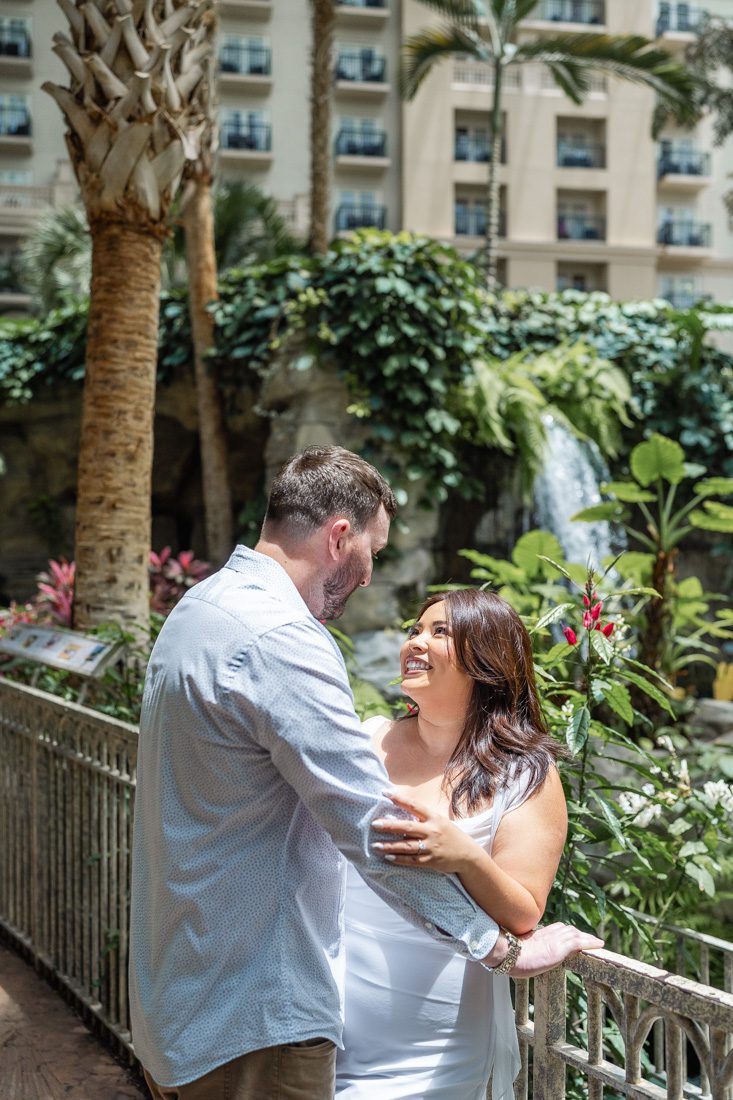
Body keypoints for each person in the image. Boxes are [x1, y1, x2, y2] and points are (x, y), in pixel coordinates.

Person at [129, 445, 602, 1100]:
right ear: (339, 535)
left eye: (441, 632)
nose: (369, 576)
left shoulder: (199, 609)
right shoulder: (282, 639)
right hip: (252, 1013)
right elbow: (371, 830)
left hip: (185, 1002)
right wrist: (499, 951)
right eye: (371, 552)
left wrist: (469, 865)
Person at [336, 589, 571, 1098]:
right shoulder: (367, 740)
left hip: (438, 1043)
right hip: (331, 1017)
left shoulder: (524, 773)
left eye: (439, 632)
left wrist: (462, 855)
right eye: (415, 630)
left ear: (486, 661)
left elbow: (524, 912)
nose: (415, 643)